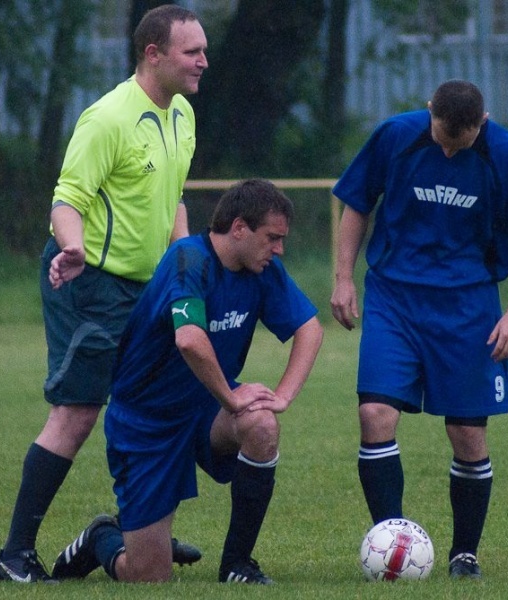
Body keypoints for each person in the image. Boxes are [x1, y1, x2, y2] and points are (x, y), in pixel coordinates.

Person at [0, 5, 208, 583]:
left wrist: (184, 262)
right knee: (79, 411)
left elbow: (173, 198)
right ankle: (14, 555)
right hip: (89, 280)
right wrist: (74, 247)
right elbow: (67, 200)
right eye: (192, 52)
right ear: (153, 54)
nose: (203, 62)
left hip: (150, 285)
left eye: (204, 50)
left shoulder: (183, 114)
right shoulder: (108, 118)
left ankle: (144, 530)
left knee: (163, 402)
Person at [330, 79, 508, 580]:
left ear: (483, 123)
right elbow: (357, 204)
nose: (450, 150)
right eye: (442, 137)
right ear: (429, 110)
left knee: (467, 434)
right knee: (374, 414)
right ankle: (391, 544)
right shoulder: (396, 135)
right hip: (394, 297)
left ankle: (464, 555)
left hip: (468, 305)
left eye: (463, 140)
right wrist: (343, 278)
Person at [49, 179, 323, 585]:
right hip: (147, 421)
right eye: (273, 238)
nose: (279, 249)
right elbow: (189, 339)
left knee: (262, 425)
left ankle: (237, 564)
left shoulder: (262, 269)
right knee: (148, 576)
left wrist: (281, 397)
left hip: (205, 408)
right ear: (239, 228)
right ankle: (102, 538)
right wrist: (232, 397)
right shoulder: (189, 260)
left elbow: (310, 329)